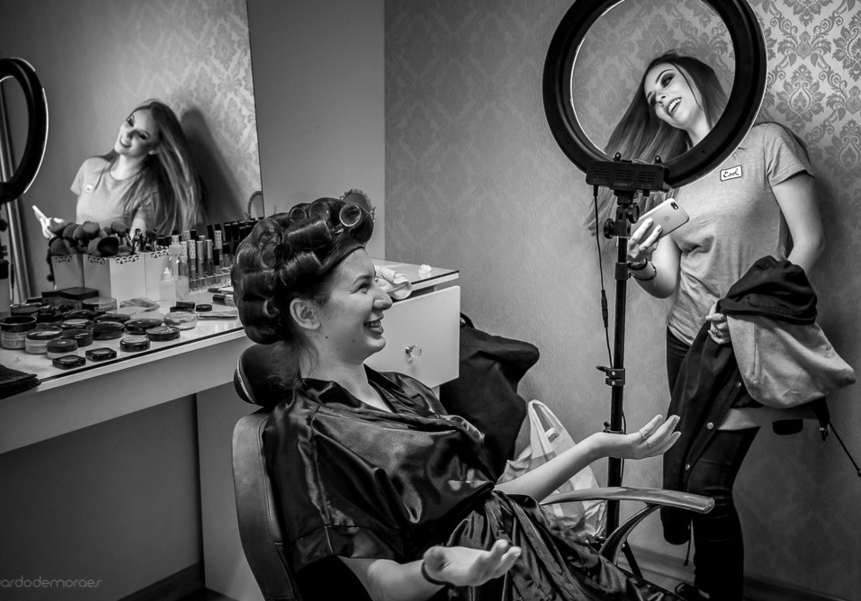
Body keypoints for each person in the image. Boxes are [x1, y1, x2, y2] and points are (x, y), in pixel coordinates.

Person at [232, 194, 686, 601]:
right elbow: (381, 585)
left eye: (377, 282)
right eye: (363, 287)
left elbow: (492, 505)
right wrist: (436, 570)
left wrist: (596, 447)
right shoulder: (309, 438)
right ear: (306, 313)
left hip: (537, 562)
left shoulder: (403, 391)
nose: (386, 298)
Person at [613, 52, 825, 601]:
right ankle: (703, 588)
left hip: (748, 339)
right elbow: (666, 282)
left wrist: (750, 315)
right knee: (685, 471)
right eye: (652, 98)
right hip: (687, 341)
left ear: (699, 79)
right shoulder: (673, 179)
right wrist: (640, 265)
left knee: (708, 483)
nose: (660, 97)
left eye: (666, 81)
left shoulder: (767, 143)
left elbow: (809, 242)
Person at [69, 99, 201, 237]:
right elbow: (78, 225)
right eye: (130, 122)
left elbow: (136, 247)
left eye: (141, 135)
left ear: (154, 148)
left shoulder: (149, 194)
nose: (127, 134)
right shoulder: (90, 167)